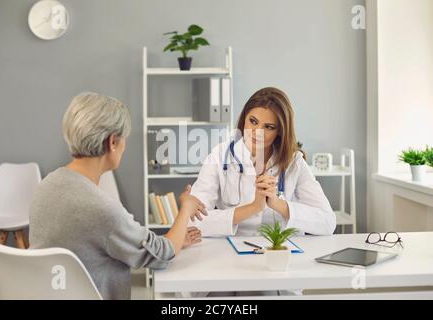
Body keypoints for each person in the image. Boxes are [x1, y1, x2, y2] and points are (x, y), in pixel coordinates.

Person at [29, 92, 206, 300]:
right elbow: (162, 254)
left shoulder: (46, 185)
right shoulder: (103, 211)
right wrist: (185, 207)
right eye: (124, 139)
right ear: (113, 142)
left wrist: (174, 239)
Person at [189, 87, 336, 237]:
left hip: (285, 251)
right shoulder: (219, 156)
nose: (257, 132)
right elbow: (192, 221)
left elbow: (328, 223)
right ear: (244, 118)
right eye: (253, 121)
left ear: (280, 131)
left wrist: (278, 204)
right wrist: (253, 207)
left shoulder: (294, 162)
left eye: (269, 127)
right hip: (234, 252)